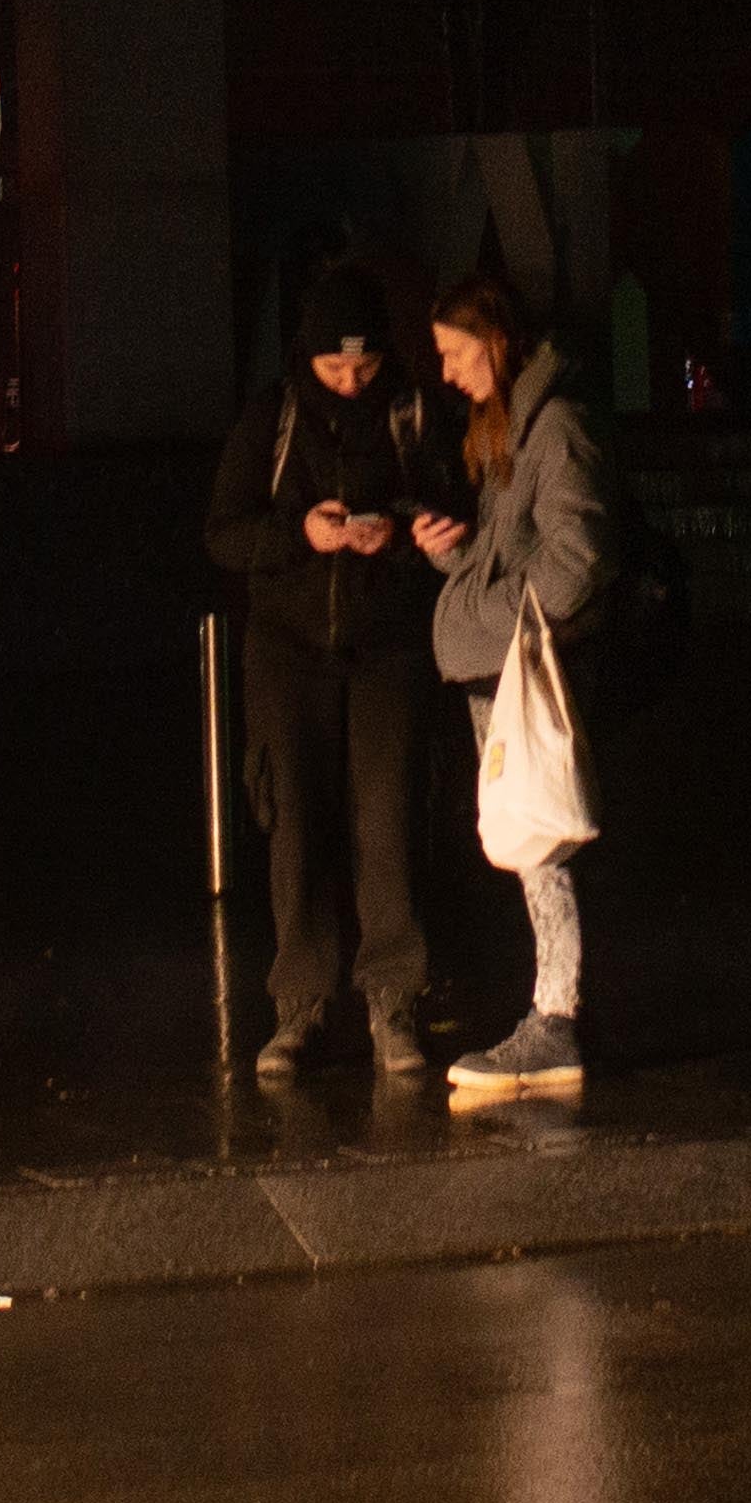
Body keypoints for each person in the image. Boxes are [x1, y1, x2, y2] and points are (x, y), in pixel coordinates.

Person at [205, 264, 458, 1081]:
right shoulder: (271, 418)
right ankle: (299, 1005)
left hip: (388, 645)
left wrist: (404, 529)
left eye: (365, 366)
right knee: (298, 822)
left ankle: (393, 1001)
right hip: (288, 648)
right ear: (304, 358)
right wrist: (299, 533)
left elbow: (453, 506)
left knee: (387, 820)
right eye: (333, 368)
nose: (350, 382)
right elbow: (223, 531)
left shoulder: (415, 413)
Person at [414, 272, 619, 1101]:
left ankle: (555, 1018)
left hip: (523, 671)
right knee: (527, 839)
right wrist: (456, 567)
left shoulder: (554, 427)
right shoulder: (514, 430)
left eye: (457, 353)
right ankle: (551, 1012)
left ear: (496, 341)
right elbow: (527, 561)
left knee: (539, 839)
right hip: (501, 662)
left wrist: (481, 611)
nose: (450, 372)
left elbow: (574, 562)